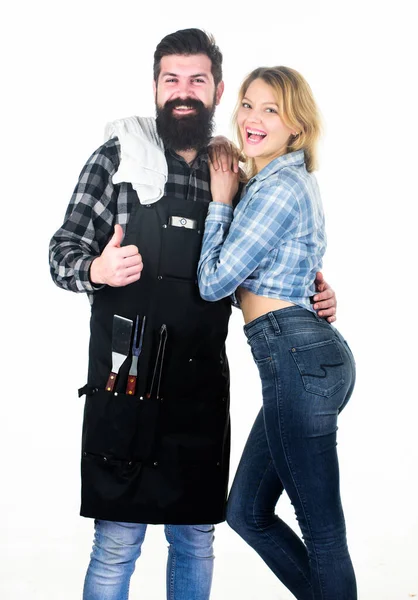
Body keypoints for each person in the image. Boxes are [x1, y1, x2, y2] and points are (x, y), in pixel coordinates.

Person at [49, 29, 337, 600]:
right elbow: (61, 253)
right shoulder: (117, 159)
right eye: (171, 79)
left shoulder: (231, 169)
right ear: (155, 87)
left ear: (216, 89)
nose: (183, 92)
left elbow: (250, 266)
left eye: (196, 80)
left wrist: (313, 292)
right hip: (123, 383)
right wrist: (95, 272)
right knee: (116, 545)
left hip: (199, 388)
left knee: (195, 541)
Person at [198, 66, 356, 599]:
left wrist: (221, 199)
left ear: (296, 125)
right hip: (301, 353)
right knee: (246, 511)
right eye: (247, 104)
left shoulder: (278, 188)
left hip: (296, 358)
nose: (253, 118)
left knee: (324, 536)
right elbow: (299, 268)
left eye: (271, 109)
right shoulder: (273, 181)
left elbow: (216, 283)